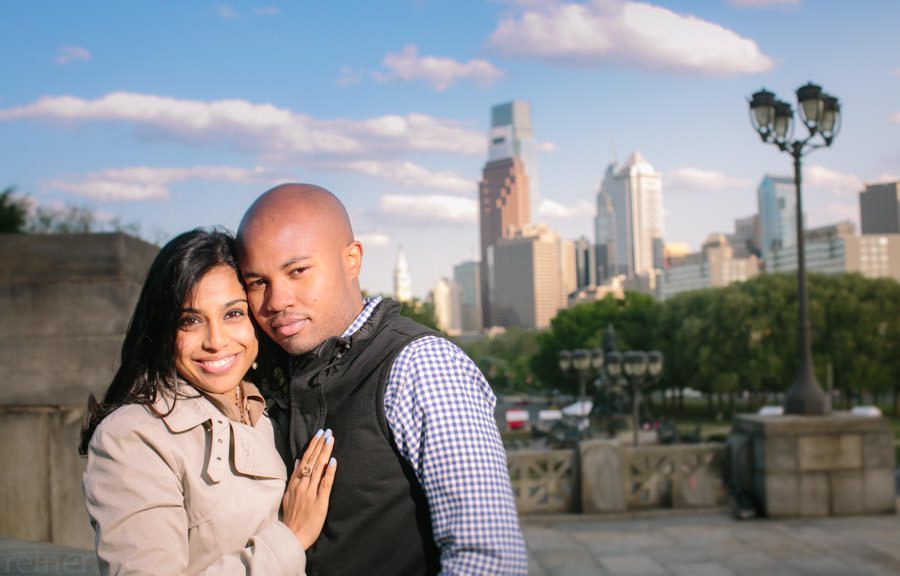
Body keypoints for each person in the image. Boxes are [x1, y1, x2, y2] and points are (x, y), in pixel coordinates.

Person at [236, 184, 528, 575]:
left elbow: (489, 559)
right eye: (257, 282)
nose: (276, 300)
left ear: (352, 260)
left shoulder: (420, 365)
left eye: (298, 271)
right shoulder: (271, 369)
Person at [80, 228, 337, 575]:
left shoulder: (268, 414)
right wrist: (291, 537)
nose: (216, 341)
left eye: (233, 314)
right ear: (162, 331)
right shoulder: (133, 437)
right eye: (190, 320)